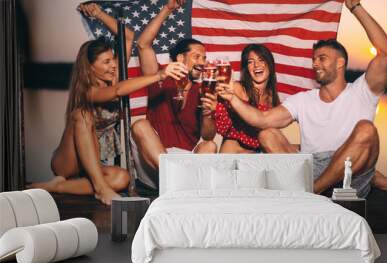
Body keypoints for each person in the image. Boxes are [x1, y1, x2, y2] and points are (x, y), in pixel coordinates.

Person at [217, 0, 387, 197]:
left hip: (349, 174)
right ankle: (313, 189)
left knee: (366, 129)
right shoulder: (302, 100)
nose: (315, 64)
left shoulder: (362, 91)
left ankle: (313, 193)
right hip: (311, 169)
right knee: (267, 134)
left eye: (322, 58)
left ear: (340, 63)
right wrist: (232, 98)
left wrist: (356, 8)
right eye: (314, 59)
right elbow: (262, 120)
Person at [29, 3, 187, 205]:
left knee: (123, 178)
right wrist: (160, 74)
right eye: (106, 62)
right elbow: (119, 91)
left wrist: (99, 13)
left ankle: (55, 186)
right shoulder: (87, 91)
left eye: (113, 59)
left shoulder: (113, 75)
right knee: (82, 115)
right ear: (90, 67)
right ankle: (101, 189)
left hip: (94, 164)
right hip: (68, 162)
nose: (113, 65)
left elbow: (128, 37)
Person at [130, 0, 217, 190]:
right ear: (180, 58)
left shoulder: (203, 90)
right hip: (154, 161)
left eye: (204, 58)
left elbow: (208, 135)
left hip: (186, 164)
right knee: (140, 125)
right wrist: (167, 9)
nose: (202, 62)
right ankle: (176, 183)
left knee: (210, 146)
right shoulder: (160, 77)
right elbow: (143, 45)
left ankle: (178, 186)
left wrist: (209, 113)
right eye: (197, 56)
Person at [209, 44, 280, 153]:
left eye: (261, 60)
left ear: (270, 64)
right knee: (230, 143)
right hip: (235, 148)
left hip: (260, 153)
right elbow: (222, 127)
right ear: (247, 68)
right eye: (250, 62)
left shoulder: (272, 97)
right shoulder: (236, 88)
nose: (256, 65)